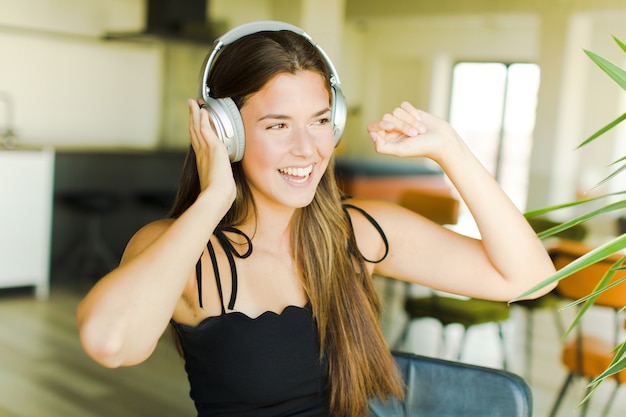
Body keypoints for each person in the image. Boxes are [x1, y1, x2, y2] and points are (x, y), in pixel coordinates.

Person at [76, 21, 556, 417]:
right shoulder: (184, 252)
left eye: (320, 120)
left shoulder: (359, 234)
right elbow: (110, 343)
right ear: (226, 133)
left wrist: (451, 150)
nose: (307, 148)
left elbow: (531, 279)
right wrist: (213, 199)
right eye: (278, 125)